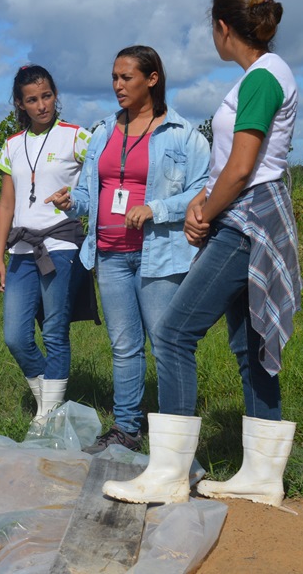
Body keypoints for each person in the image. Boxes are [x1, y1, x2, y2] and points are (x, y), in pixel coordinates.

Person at [103, 0, 301, 506]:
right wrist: (204, 202)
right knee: (249, 343)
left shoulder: (260, 79)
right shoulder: (266, 74)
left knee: (171, 333)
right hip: (248, 212)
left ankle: (167, 474)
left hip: (246, 220)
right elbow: (235, 168)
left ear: (222, 28)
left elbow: (242, 167)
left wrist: (204, 215)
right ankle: (261, 475)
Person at [48, 46, 209, 452]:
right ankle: (126, 430)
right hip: (109, 253)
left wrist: (156, 208)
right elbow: (89, 193)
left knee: (166, 342)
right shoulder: (102, 130)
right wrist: (73, 201)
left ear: (152, 79)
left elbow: (202, 189)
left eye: (127, 78)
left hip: (159, 255)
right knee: (124, 346)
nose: (118, 85)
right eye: (115, 77)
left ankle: (175, 438)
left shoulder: (182, 134)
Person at [0, 65, 90, 425]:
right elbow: (6, 203)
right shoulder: (12, 145)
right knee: (15, 335)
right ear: (20, 103)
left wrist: (77, 200)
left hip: (61, 244)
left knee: (54, 328)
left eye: (47, 96)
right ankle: (46, 399)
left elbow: (96, 183)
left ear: (55, 94)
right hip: (20, 247)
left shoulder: (77, 137)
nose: (42, 105)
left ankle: (48, 411)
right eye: (32, 99)